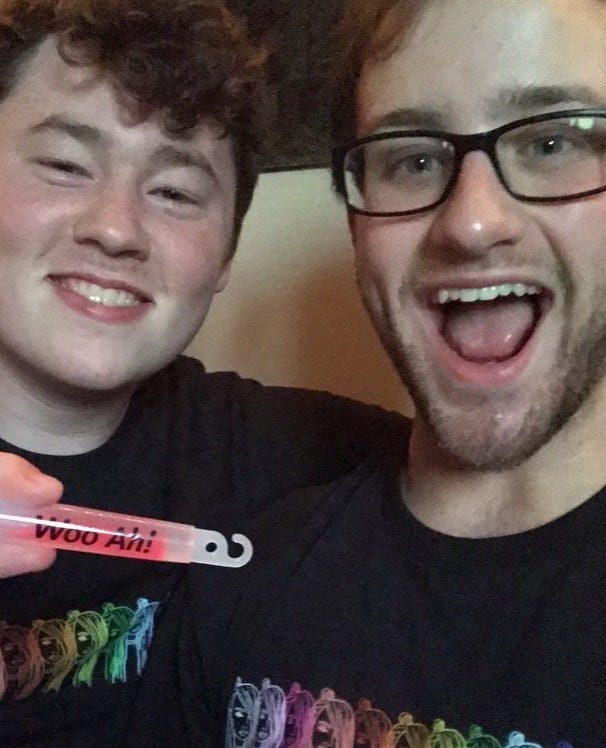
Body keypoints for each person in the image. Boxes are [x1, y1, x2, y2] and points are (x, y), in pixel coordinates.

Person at [0, 0, 410, 744]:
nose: (115, 229)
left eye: (175, 192)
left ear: (227, 251)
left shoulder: (308, 464)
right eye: (63, 164)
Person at [140, 0, 606, 745]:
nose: (472, 222)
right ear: (356, 225)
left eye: (552, 143)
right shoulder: (242, 587)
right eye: (412, 159)